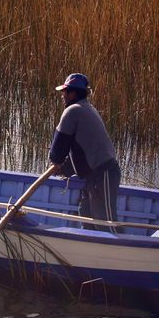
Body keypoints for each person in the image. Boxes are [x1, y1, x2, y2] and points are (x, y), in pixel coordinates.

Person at [48, 73, 120, 232]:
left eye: (65, 92)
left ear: (72, 93)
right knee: (87, 218)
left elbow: (58, 151)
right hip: (93, 176)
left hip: (103, 174)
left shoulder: (72, 111)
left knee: (106, 223)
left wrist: (57, 162)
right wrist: (64, 169)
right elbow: (82, 151)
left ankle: (119, 253)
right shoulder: (86, 108)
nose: (62, 96)